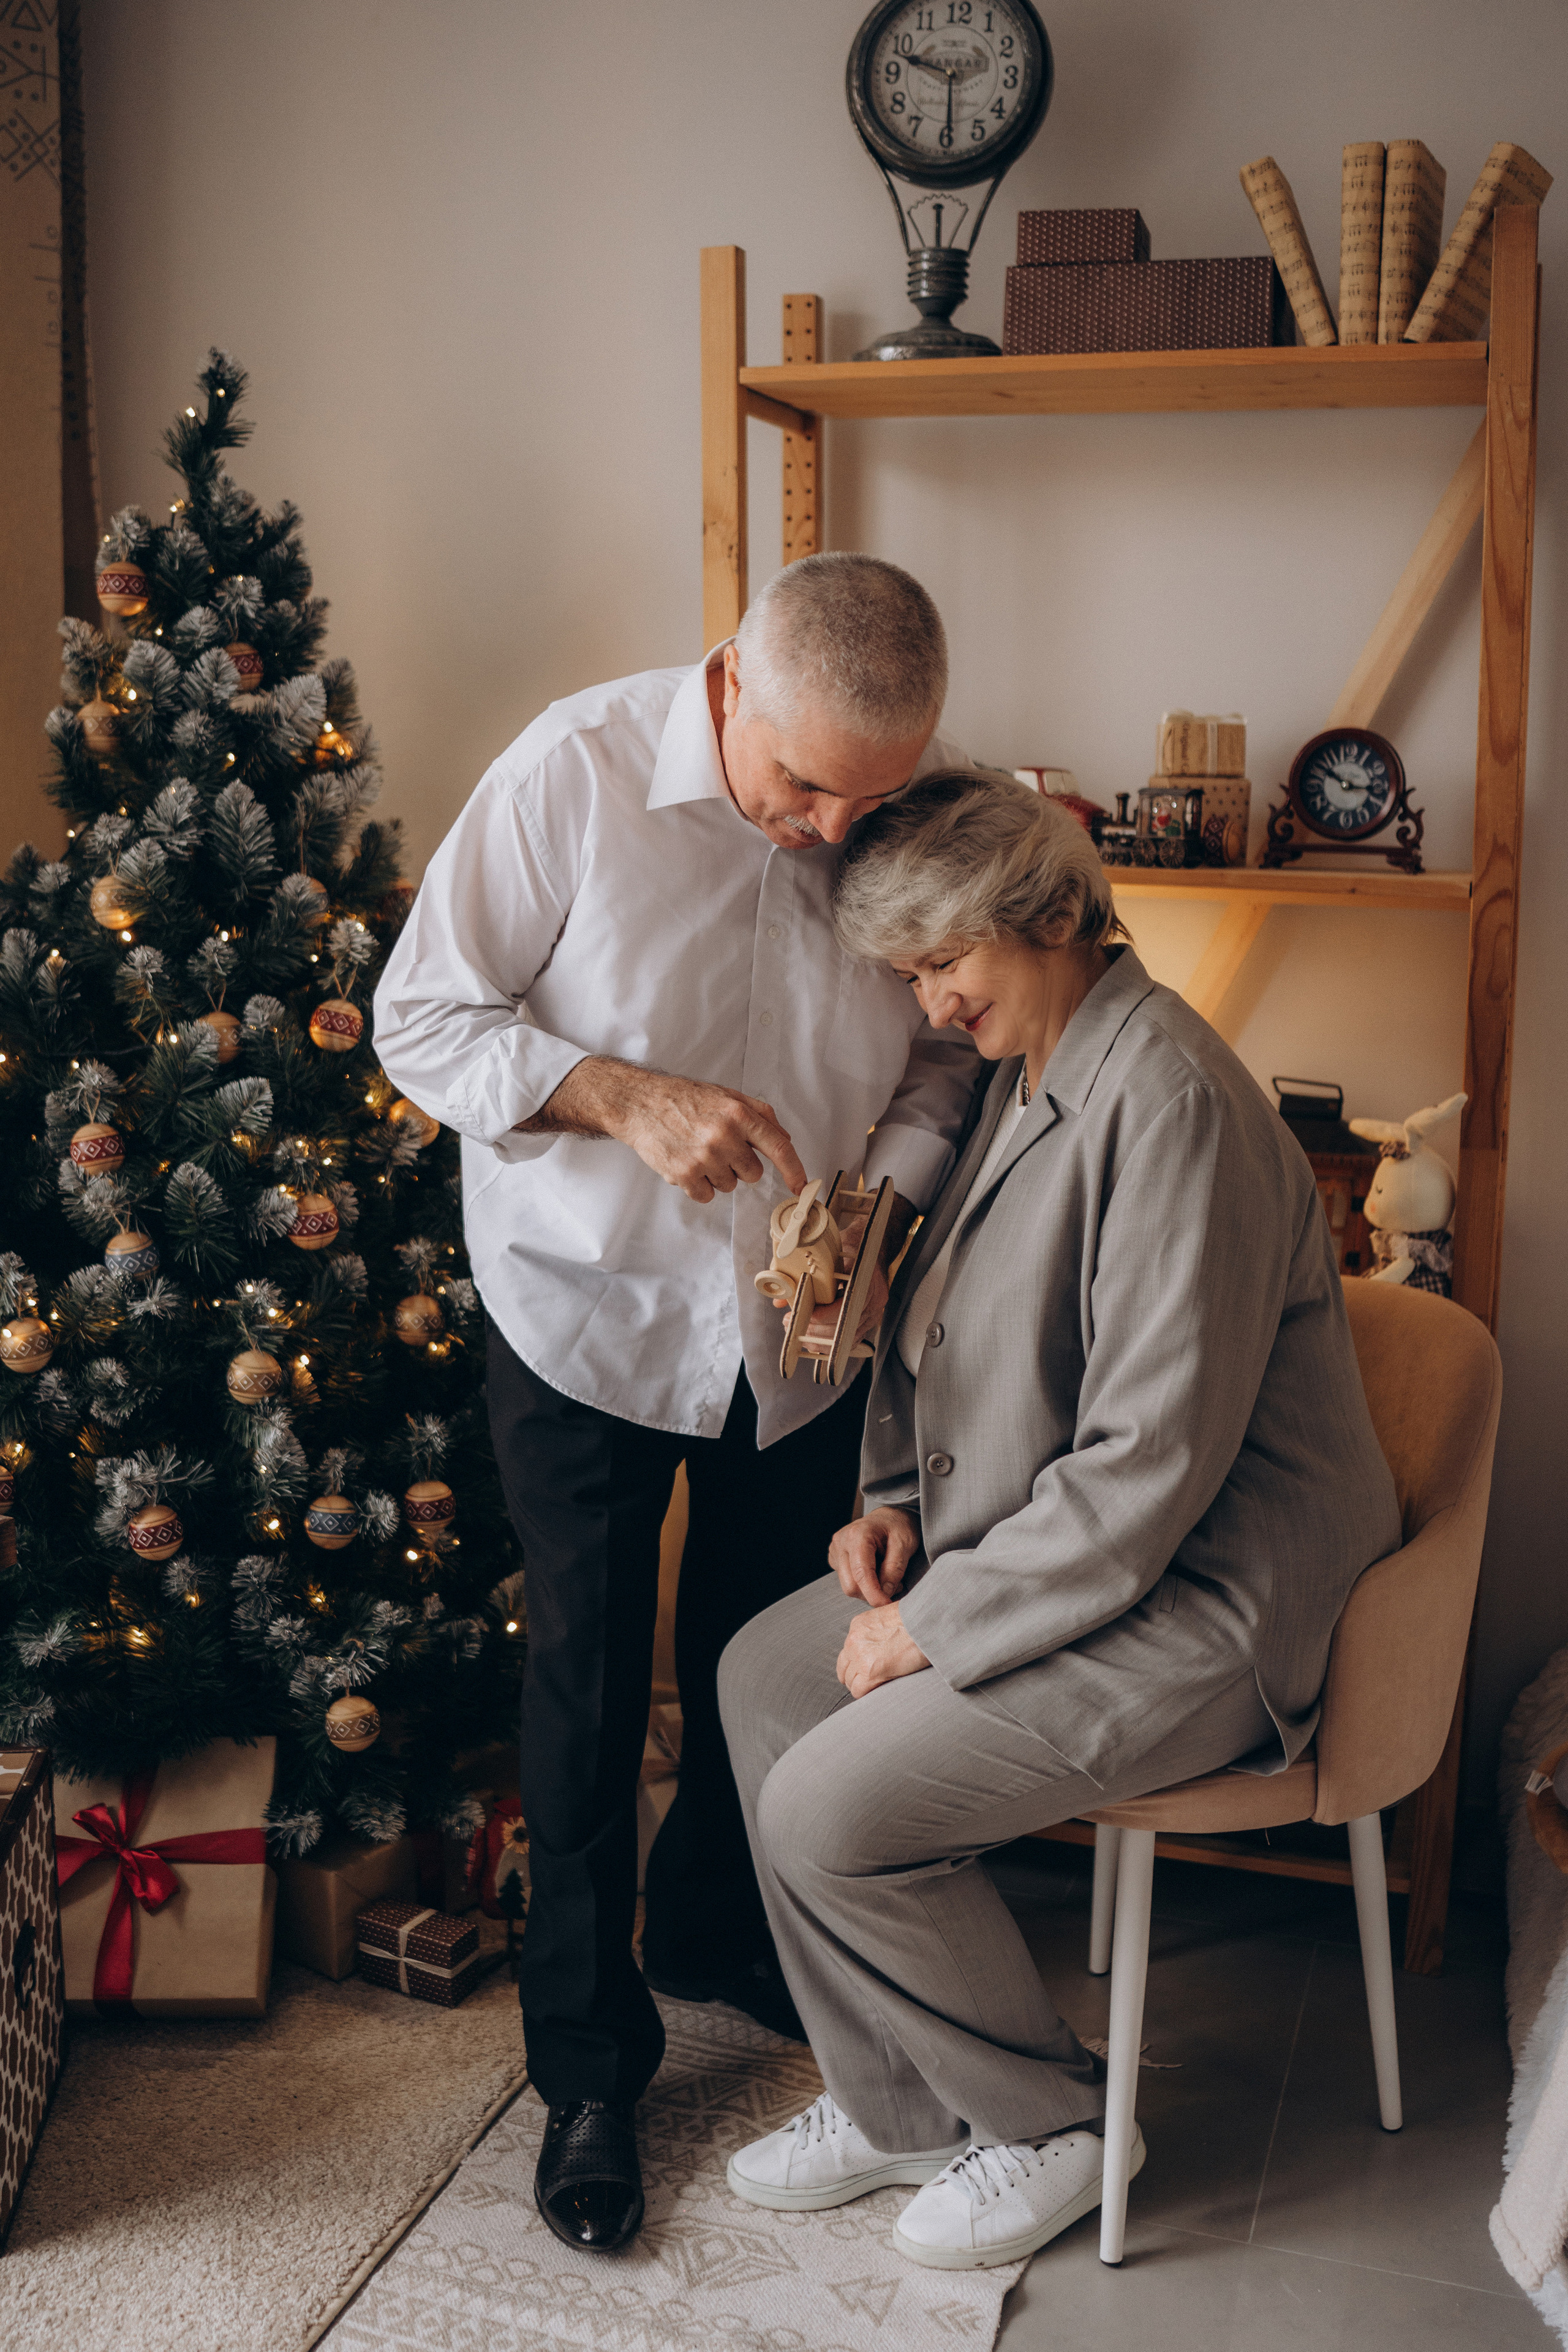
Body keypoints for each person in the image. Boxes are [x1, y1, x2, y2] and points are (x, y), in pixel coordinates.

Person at [372, 556, 978, 2253]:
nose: (832, 830)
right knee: (580, 1687)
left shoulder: (894, 801)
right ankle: (586, 2067)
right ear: (730, 684)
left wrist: (884, 1203)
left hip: (798, 1331)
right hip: (583, 1312)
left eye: (870, 797)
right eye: (801, 787)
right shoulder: (569, 774)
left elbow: (944, 1053)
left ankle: (712, 1933)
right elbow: (417, 1017)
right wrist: (609, 1093)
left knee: (759, 1667)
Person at [720, 770, 1401, 2272]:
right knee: (756, 1679)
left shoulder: (1170, 1103)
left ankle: (1054, 2124)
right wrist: (890, 1515)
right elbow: (946, 1339)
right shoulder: (1030, 1070)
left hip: (1204, 1606)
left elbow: (1143, 1470)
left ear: (1041, 916)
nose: (929, 1002)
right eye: (906, 974)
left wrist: (932, 1628)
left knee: (827, 1815)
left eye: (939, 964)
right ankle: (897, 2104)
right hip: (1064, 1557)